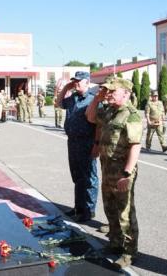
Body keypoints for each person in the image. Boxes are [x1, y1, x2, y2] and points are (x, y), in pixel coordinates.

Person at [96, 78, 142, 269]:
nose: (109, 94)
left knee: (125, 212)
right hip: (107, 168)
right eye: (108, 91)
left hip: (122, 171)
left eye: (113, 91)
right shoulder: (110, 112)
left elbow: (135, 146)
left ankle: (129, 252)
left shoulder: (130, 115)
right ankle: (115, 242)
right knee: (110, 208)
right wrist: (99, 96)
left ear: (126, 94)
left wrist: (126, 173)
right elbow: (91, 117)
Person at [56, 71, 98, 223]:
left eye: (79, 81)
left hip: (87, 142)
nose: (76, 83)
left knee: (89, 178)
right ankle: (78, 207)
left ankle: (89, 210)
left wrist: (96, 145)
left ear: (87, 82)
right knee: (77, 176)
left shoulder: (92, 100)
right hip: (73, 142)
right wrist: (66, 87)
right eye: (75, 81)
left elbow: (98, 125)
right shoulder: (73, 98)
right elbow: (59, 103)